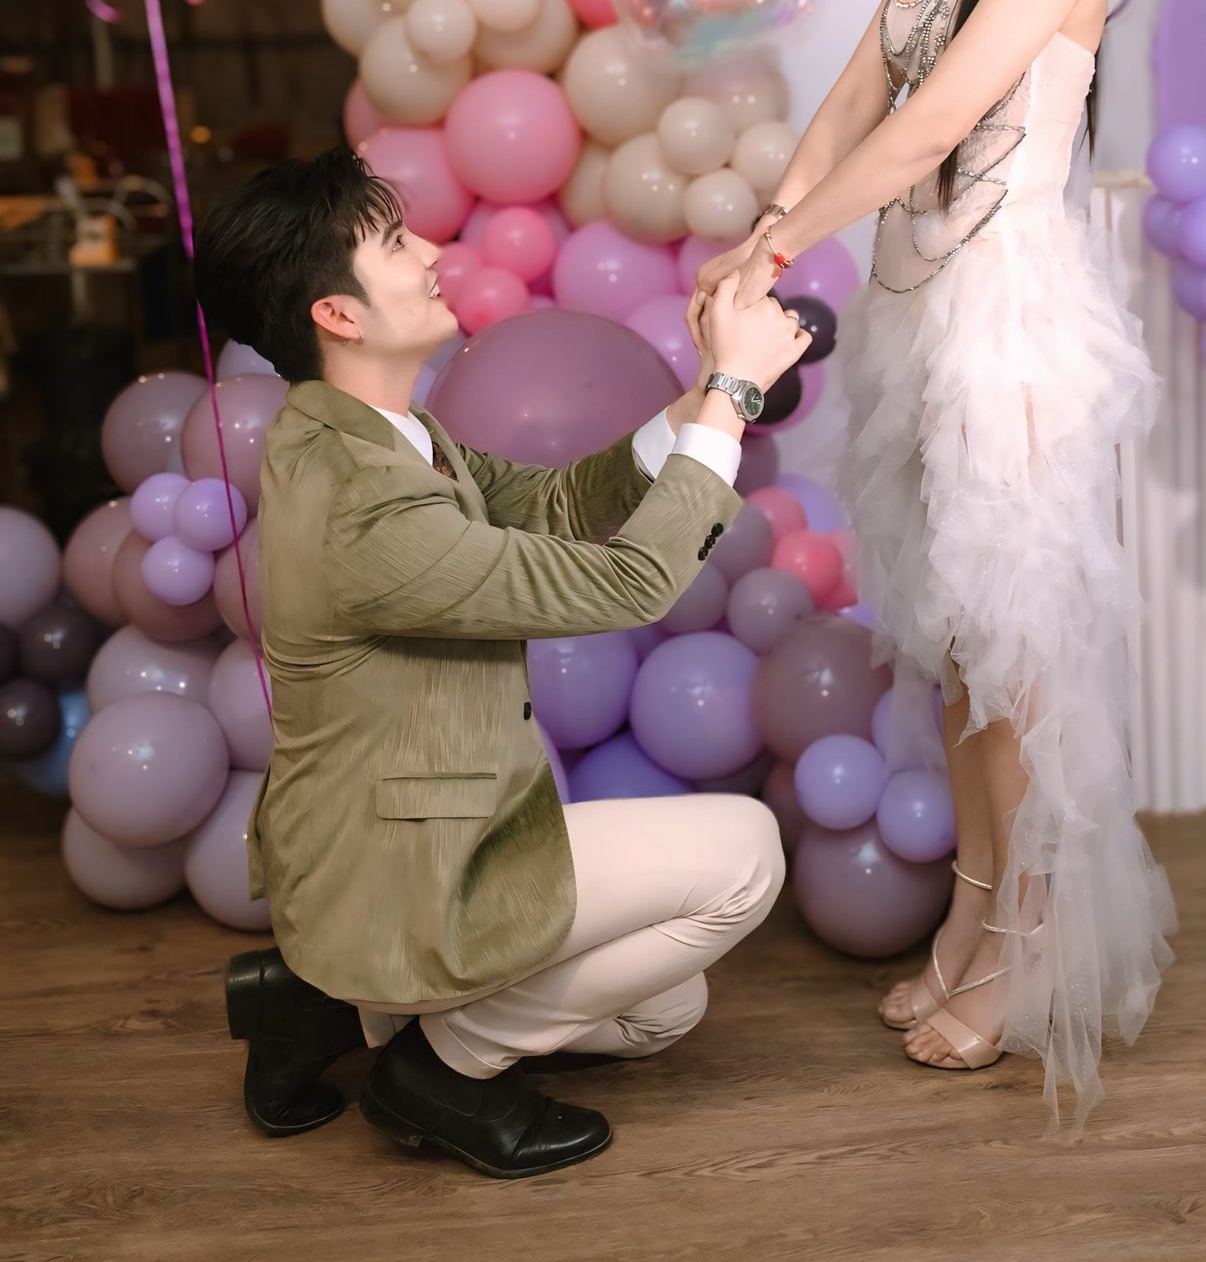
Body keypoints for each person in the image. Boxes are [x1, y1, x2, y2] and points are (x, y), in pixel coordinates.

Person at [686, 0, 1177, 1136]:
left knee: (1013, 644)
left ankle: (1033, 944)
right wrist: (765, 227)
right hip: (918, 307)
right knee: (958, 643)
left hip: (1008, 317)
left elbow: (934, 123)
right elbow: (855, 97)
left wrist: (777, 247)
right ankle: (972, 910)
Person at [195, 146, 810, 1178]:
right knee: (749, 851)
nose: (435, 250)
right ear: (337, 314)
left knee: (665, 1009)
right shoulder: (363, 503)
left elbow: (556, 503)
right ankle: (438, 1067)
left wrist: (705, 385)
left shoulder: (370, 431)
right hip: (406, 863)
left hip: (421, 824)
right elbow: (629, 586)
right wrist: (737, 392)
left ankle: (329, 1006)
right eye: (397, 243)